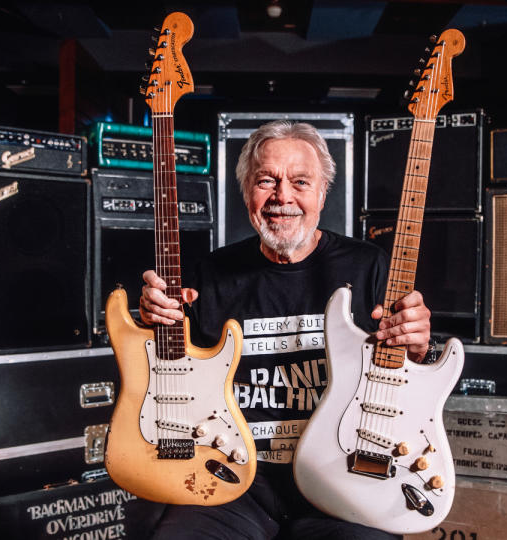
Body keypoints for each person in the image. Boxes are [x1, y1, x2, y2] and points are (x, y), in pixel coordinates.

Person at [138, 120, 433, 540]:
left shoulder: (369, 266)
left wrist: (418, 348)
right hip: (232, 484)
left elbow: (410, 380)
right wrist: (153, 321)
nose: (283, 197)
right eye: (266, 181)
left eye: (300, 182)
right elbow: (171, 386)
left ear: (323, 192)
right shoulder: (208, 275)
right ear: (246, 191)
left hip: (342, 483)